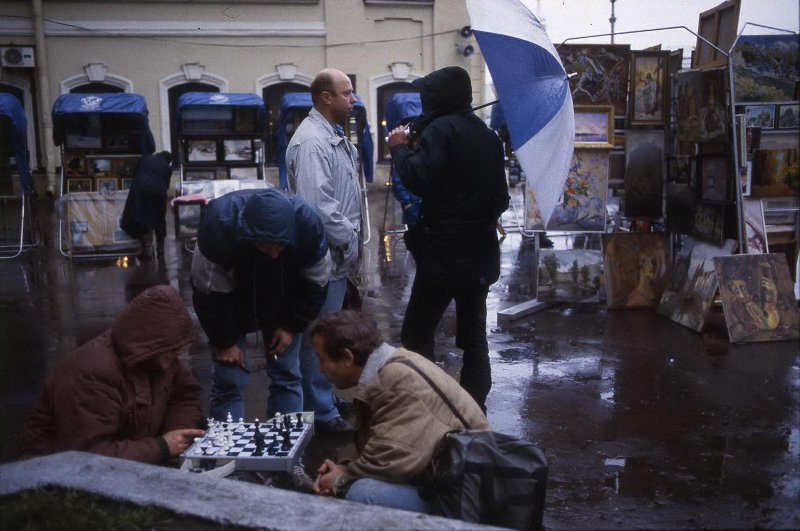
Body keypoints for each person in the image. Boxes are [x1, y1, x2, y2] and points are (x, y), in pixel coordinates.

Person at [387, 66, 509, 412]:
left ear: (440, 97)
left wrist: (399, 149)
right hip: (481, 251)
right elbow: (501, 198)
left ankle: (431, 401)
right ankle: (473, 409)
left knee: (417, 331)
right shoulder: (487, 136)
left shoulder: (441, 129)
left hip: (443, 252)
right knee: (474, 337)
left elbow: (419, 179)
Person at [310, 310, 489, 513]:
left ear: (347, 357)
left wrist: (342, 477)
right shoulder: (393, 364)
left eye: (322, 359)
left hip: (470, 498)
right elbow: (389, 447)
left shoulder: (394, 382)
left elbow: (391, 462)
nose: (320, 368)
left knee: (362, 493)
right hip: (458, 480)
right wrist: (345, 469)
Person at [190, 188, 331, 423]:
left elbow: (315, 283)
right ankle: (228, 451)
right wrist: (225, 341)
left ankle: (285, 448)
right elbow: (209, 294)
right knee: (229, 378)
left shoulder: (308, 227)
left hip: (285, 297)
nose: (274, 254)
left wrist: (291, 325)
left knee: (287, 373)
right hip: (230, 301)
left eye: (280, 246)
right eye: (265, 247)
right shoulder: (219, 227)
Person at [21, 285, 205, 464]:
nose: (174, 359)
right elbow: (87, 455)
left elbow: (185, 393)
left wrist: (178, 432)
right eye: (171, 352)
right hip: (55, 477)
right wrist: (161, 447)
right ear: (151, 345)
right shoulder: (91, 373)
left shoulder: (158, 354)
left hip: (127, 464)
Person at [285, 68, 362, 433]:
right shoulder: (313, 142)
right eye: (347, 93)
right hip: (325, 258)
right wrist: (348, 238)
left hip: (335, 258)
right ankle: (321, 413)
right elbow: (319, 206)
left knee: (326, 333)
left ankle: (325, 400)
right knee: (318, 338)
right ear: (325, 97)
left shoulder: (331, 135)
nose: (354, 99)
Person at [120, 151, 173, 260]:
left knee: (143, 218)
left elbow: (135, 175)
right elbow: (166, 185)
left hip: (140, 190)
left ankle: (148, 250)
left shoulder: (145, 158)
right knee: (159, 219)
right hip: (158, 192)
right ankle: (160, 250)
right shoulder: (167, 167)